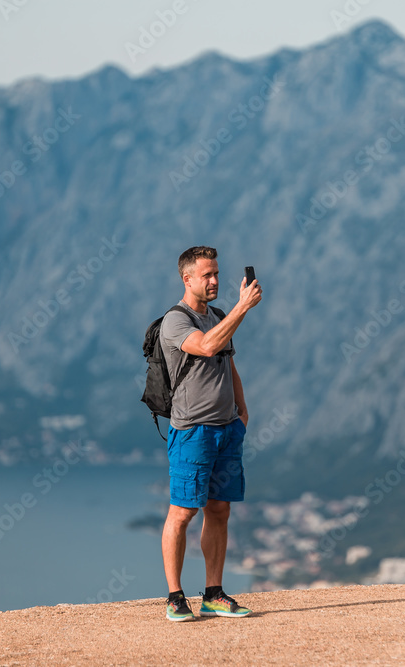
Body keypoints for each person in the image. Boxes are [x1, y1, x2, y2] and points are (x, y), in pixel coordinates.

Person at [158, 246, 262, 621]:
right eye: (207, 275)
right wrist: (242, 307)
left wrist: (242, 411)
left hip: (226, 429)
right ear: (187, 278)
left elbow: (226, 362)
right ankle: (174, 596)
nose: (215, 280)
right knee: (183, 512)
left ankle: (213, 593)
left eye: (216, 273)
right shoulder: (175, 321)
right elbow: (206, 346)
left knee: (219, 510)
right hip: (193, 432)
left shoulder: (218, 315)